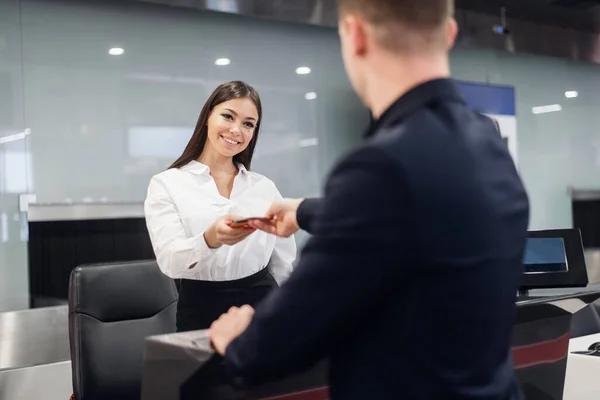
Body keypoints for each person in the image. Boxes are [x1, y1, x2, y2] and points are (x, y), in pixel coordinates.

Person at [208, 1, 529, 399]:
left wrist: (239, 340)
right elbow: (420, 217)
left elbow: (282, 341)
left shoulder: (382, 164)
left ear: (355, 34)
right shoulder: (486, 141)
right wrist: (304, 210)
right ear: (448, 33)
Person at [144, 81, 296, 332]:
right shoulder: (167, 183)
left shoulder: (264, 187)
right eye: (228, 116)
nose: (237, 130)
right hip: (201, 309)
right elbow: (170, 261)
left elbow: (282, 262)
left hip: (263, 307)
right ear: (207, 117)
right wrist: (209, 239)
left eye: (248, 124)